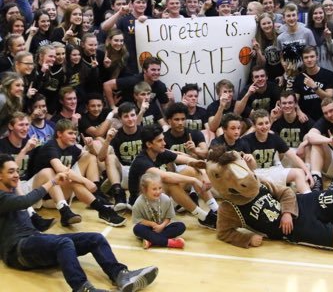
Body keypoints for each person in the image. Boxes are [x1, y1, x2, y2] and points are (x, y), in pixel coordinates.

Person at [0, 154, 158, 292]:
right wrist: (52, 182)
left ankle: (121, 275)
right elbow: (24, 201)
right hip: (17, 250)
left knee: (95, 239)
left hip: (32, 242)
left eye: (16, 170)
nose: (16, 175)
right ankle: (83, 288)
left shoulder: (12, 190)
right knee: (64, 243)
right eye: (11, 171)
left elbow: (21, 198)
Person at [128, 124, 218, 229]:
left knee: (191, 170)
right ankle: (204, 218)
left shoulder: (160, 152)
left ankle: (216, 209)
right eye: (160, 141)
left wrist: (203, 173)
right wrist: (193, 180)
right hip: (142, 204)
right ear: (149, 144)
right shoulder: (141, 161)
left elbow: (193, 162)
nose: (164, 143)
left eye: (163, 139)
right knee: (170, 183)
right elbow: (165, 177)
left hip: (157, 196)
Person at [242, 109, 313, 193]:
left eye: (267, 123)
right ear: (254, 125)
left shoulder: (274, 137)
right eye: (260, 124)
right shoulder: (246, 140)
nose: (264, 126)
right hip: (255, 175)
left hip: (272, 171)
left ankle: (308, 197)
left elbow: (292, 156)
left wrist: (307, 172)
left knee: (299, 172)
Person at [132, 172, 186, 249]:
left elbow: (169, 217)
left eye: (160, 188)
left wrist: (161, 226)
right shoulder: (139, 202)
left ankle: (151, 241)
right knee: (137, 229)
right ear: (144, 189)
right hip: (148, 228)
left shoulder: (166, 199)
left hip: (163, 227)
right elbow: (138, 220)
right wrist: (152, 224)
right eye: (154, 189)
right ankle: (171, 243)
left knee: (180, 226)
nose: (158, 192)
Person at [293, 46, 333, 121]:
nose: (309, 60)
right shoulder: (299, 78)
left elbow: (329, 98)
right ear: (303, 60)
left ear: (317, 57)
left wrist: (314, 87)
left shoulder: (328, 75)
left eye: (312, 56)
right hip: (306, 118)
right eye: (306, 57)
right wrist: (299, 112)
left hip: (326, 116)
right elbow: (294, 101)